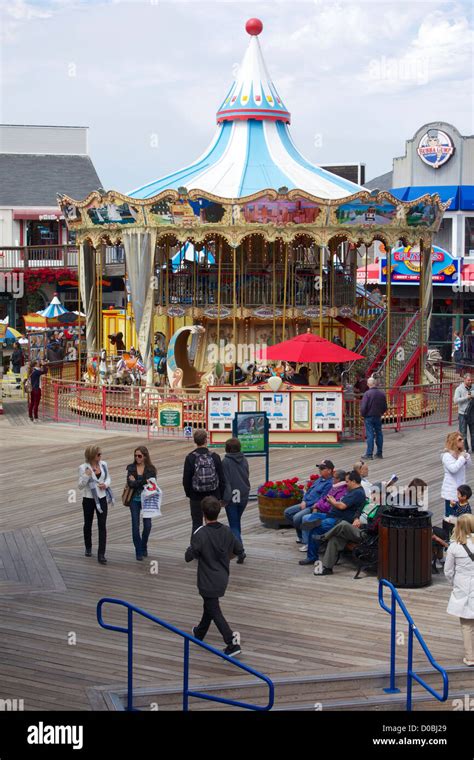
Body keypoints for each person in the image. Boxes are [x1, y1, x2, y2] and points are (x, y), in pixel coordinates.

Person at [185, 496, 243, 657]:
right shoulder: (227, 531)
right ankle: (199, 633)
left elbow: (189, 556)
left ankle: (232, 642)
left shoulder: (201, 533)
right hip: (223, 576)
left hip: (206, 579)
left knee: (214, 610)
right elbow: (239, 550)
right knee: (209, 606)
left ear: (203, 514)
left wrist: (192, 547)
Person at [315, 481, 386, 576]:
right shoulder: (368, 502)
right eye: (372, 492)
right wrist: (356, 518)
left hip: (366, 534)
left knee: (343, 524)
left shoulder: (383, 508)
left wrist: (361, 525)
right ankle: (327, 568)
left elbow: (373, 527)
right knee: (335, 538)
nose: (372, 494)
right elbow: (357, 512)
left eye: (374, 492)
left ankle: (324, 537)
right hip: (356, 529)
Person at [299, 470, 367, 566]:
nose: (346, 484)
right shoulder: (352, 491)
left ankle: (312, 556)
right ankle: (311, 528)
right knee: (313, 517)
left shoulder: (357, 493)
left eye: (347, 482)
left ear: (354, 481)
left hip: (339, 521)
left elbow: (342, 506)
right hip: (332, 516)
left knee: (316, 529)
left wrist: (332, 502)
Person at [183, 430, 226, 537]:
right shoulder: (215, 456)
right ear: (206, 440)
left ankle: (195, 549)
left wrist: (190, 494)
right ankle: (213, 547)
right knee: (212, 523)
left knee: (197, 524)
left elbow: (186, 480)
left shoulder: (190, 458)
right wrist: (220, 496)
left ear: (195, 441)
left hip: (196, 496)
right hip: (213, 495)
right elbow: (222, 478)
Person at [444, 514, 474, 666]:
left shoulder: (454, 547)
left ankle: (470, 657)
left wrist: (454, 583)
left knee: (467, 624)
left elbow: (448, 571)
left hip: (463, 587)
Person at [284, 461, 334, 546]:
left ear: (329, 470)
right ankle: (301, 535)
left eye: (322, 468)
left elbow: (321, 499)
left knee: (297, 518)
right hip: (305, 502)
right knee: (287, 512)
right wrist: (304, 500)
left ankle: (305, 540)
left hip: (312, 506)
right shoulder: (319, 479)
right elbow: (309, 491)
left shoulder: (329, 483)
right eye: (319, 468)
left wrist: (307, 503)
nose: (319, 470)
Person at [78, 445, 112, 564]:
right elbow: (80, 486)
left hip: (102, 498)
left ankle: (101, 554)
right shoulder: (83, 467)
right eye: (98, 454)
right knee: (88, 524)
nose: (100, 456)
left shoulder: (103, 465)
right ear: (92, 455)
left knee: (102, 525)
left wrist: (106, 485)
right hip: (89, 499)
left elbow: (108, 478)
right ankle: (88, 546)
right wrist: (87, 475)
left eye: (100, 454)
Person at [299, 469, 347, 551]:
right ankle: (308, 543)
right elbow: (324, 498)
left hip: (331, 515)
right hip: (322, 510)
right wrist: (318, 504)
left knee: (308, 520)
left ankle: (313, 544)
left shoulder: (342, 490)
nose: (332, 479)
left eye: (334, 478)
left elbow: (329, 506)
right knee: (306, 518)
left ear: (338, 479)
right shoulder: (334, 487)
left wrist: (318, 505)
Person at [126, 446, 157, 560]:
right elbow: (130, 484)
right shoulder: (131, 468)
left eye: (139, 456)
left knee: (148, 526)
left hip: (147, 500)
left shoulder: (151, 469)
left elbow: (151, 484)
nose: (137, 458)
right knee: (135, 526)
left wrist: (137, 481)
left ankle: (143, 545)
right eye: (135, 456)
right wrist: (142, 482)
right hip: (134, 499)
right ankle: (138, 550)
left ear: (145, 456)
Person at [222, 437, 249, 563]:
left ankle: (240, 550)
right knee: (236, 523)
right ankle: (237, 546)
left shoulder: (226, 462)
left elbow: (226, 481)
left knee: (234, 525)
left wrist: (224, 499)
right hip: (243, 494)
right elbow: (246, 474)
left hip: (231, 496)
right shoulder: (244, 459)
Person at [441, 431, 472, 517]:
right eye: (460, 439)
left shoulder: (461, 454)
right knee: (451, 517)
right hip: (451, 493)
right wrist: (462, 457)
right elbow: (453, 469)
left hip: (461, 491)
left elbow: (469, 465)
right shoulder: (446, 456)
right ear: (454, 441)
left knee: (463, 517)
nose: (463, 441)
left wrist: (466, 456)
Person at [360, 377, 387, 459]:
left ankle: (369, 454)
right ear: (375, 384)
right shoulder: (382, 394)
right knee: (379, 433)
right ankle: (379, 453)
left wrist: (363, 414)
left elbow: (364, 407)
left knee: (370, 434)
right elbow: (385, 406)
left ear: (368, 384)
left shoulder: (367, 394)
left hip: (369, 416)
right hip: (378, 416)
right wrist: (381, 412)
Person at [454, 374, 474, 452]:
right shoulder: (459, 389)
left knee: (473, 433)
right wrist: (466, 397)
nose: (470, 381)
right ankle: (465, 449)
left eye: (471, 380)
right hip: (463, 414)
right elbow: (455, 400)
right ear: (464, 380)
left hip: (472, 413)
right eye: (469, 380)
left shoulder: (473, 387)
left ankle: (473, 448)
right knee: (463, 434)